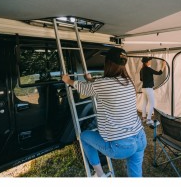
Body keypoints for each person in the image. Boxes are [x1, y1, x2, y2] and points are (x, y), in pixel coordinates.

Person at [62, 47, 147, 177]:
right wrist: (91, 80)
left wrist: (68, 80)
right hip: (140, 138)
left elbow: (84, 89)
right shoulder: (128, 82)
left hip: (121, 146)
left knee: (84, 137)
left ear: (108, 63)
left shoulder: (103, 84)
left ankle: (100, 175)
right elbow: (105, 85)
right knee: (136, 176)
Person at [140, 57, 166, 125]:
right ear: (146, 62)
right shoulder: (148, 69)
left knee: (145, 103)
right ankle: (148, 119)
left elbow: (141, 79)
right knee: (152, 104)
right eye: (149, 60)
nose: (150, 61)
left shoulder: (141, 70)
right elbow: (159, 73)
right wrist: (163, 65)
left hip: (144, 88)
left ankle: (143, 117)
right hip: (148, 89)